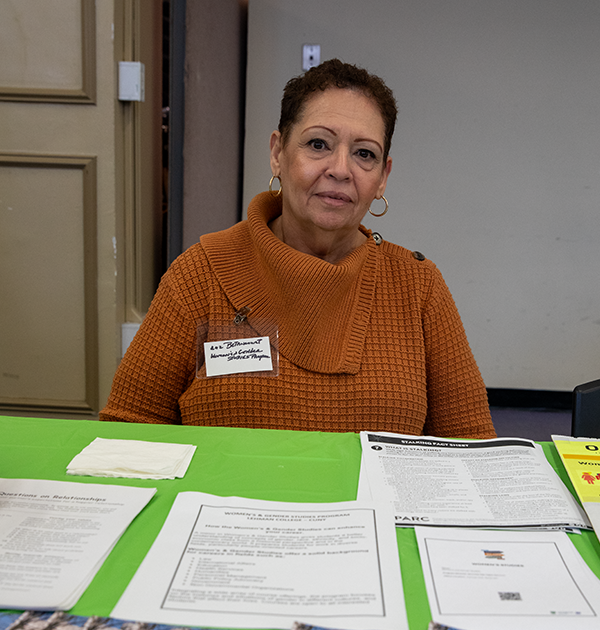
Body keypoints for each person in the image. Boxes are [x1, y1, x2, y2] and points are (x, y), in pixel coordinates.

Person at [100, 59, 495, 438]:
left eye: (364, 154)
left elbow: (472, 446)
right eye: (318, 144)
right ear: (277, 153)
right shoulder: (199, 276)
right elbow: (127, 432)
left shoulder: (418, 287)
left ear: (382, 178)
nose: (341, 169)